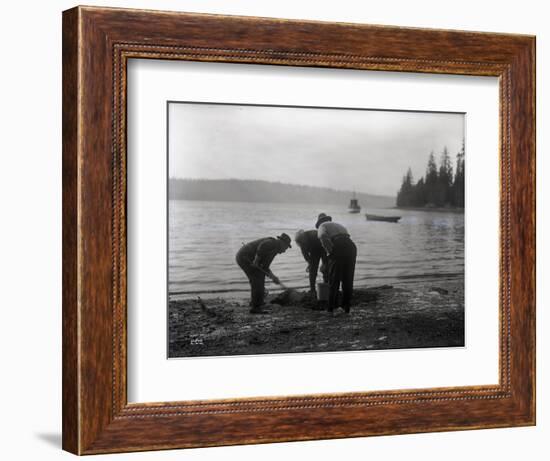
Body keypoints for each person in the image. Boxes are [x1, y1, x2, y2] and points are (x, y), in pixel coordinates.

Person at [235, 233, 292, 313]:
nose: (285, 250)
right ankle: (256, 308)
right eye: (286, 247)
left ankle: (256, 302)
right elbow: (262, 245)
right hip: (244, 256)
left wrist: (273, 277)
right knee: (257, 279)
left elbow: (265, 267)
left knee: (259, 277)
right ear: (282, 243)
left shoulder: (274, 250)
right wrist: (256, 260)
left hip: (247, 257)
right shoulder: (273, 243)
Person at [316, 213, 357, 313]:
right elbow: (346, 237)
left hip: (339, 245)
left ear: (320, 222)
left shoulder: (322, 226)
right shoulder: (338, 225)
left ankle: (331, 308)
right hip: (351, 246)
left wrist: (330, 253)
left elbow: (322, 236)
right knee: (348, 279)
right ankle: (346, 307)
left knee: (334, 280)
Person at [294, 229, 328, 295]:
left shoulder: (314, 235)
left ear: (305, 238)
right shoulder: (301, 242)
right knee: (312, 270)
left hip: (322, 246)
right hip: (313, 251)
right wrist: (309, 263)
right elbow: (305, 255)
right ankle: (312, 289)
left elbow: (325, 248)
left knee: (325, 268)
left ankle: (326, 285)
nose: (303, 245)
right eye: (302, 244)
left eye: (304, 243)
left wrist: (324, 262)